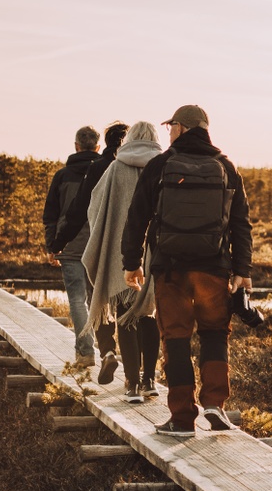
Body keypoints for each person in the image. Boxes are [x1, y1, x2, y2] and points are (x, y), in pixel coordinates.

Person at [122, 104, 252, 436]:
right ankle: (214, 405)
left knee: (176, 338)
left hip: (171, 270)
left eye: (171, 127)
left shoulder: (161, 165)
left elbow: (138, 217)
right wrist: (242, 269)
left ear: (181, 127)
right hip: (214, 269)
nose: (168, 133)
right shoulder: (225, 166)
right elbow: (240, 223)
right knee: (214, 334)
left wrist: (131, 264)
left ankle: (181, 418)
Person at [80, 120, 163, 399]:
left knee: (126, 316)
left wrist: (107, 234)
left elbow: (96, 206)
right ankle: (150, 380)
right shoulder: (164, 166)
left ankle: (132, 384)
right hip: (155, 252)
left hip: (123, 252)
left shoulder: (116, 168)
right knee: (149, 315)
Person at [41, 125, 110, 357]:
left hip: (69, 246)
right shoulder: (106, 172)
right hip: (98, 246)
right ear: (98, 147)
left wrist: (52, 246)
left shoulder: (62, 176)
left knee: (77, 301)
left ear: (76, 146)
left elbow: (50, 214)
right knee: (97, 300)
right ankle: (104, 350)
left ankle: (85, 351)